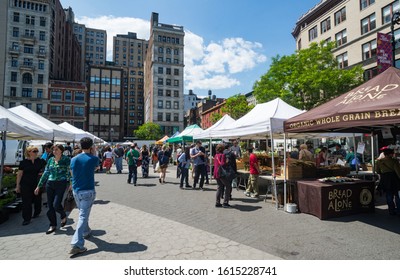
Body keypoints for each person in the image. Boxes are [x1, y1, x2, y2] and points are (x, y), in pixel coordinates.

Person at [69, 137, 100, 255]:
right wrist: (94, 152)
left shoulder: (73, 159)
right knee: (83, 215)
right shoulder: (94, 158)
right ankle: (76, 243)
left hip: (76, 190)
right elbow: (96, 168)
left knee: (83, 212)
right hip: (88, 190)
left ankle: (86, 231)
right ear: (91, 146)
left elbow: (72, 173)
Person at [35, 144, 71, 234]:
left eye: (56, 149)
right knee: (50, 206)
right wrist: (39, 186)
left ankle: (63, 215)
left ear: (61, 150)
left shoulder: (66, 159)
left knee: (56, 204)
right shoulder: (50, 160)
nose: (54, 151)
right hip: (50, 183)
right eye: (53, 150)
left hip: (61, 183)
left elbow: (69, 171)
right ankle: (52, 225)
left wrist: (71, 183)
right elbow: (46, 173)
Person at [16, 146, 47, 226]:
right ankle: (26, 219)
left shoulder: (40, 161)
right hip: (25, 184)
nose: (36, 153)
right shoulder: (23, 162)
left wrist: (43, 172)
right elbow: (19, 174)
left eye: (37, 151)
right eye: (34, 151)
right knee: (26, 202)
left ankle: (37, 212)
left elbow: (47, 168)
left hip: (37, 184)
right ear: (29, 152)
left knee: (37, 199)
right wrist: (17, 185)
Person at [376, 148, 400, 216]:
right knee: (397, 195)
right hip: (394, 179)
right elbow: (398, 171)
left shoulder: (379, 161)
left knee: (389, 195)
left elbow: (377, 171)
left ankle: (391, 210)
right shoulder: (394, 161)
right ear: (390, 154)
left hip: (385, 179)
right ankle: (398, 210)